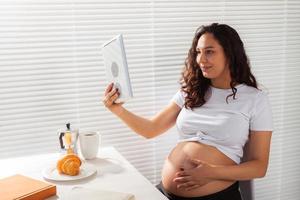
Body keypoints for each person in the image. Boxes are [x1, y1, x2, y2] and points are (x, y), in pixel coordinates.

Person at [102, 23, 273, 200]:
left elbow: (259, 167)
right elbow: (150, 129)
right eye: (198, 52)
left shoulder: (255, 99)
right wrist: (117, 109)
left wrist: (212, 172)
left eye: (209, 51)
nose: (201, 60)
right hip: (165, 193)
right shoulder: (191, 91)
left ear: (230, 54)